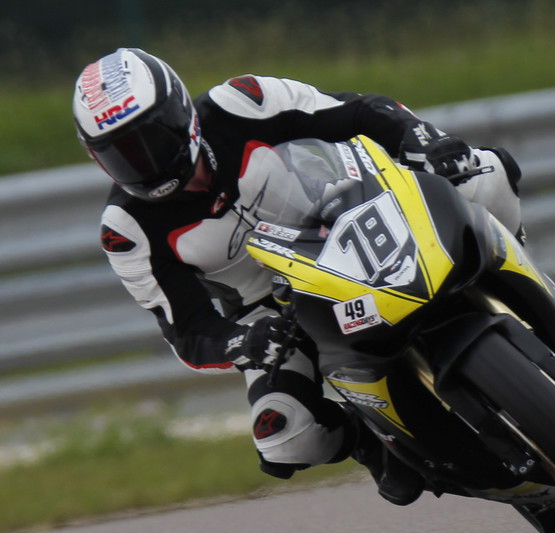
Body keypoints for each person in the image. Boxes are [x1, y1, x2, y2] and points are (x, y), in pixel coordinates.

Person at [73, 47, 525, 505]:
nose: (144, 163)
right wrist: (240, 342)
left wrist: (422, 140)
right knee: (285, 437)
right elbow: (187, 331)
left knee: (484, 172)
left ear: (179, 113)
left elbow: (359, 111)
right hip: (278, 310)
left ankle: (525, 288)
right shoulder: (125, 230)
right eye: (122, 154)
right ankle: (371, 442)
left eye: (150, 140)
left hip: (357, 217)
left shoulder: (243, 101)